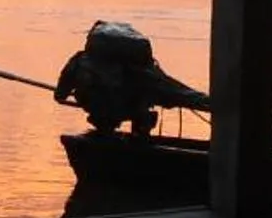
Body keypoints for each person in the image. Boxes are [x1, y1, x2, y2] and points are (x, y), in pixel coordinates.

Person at [54, 20, 207, 135]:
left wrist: (63, 95)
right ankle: (139, 139)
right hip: (129, 110)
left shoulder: (80, 61)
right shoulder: (147, 71)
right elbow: (177, 92)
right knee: (142, 111)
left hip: (106, 111)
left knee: (107, 117)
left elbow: (60, 93)